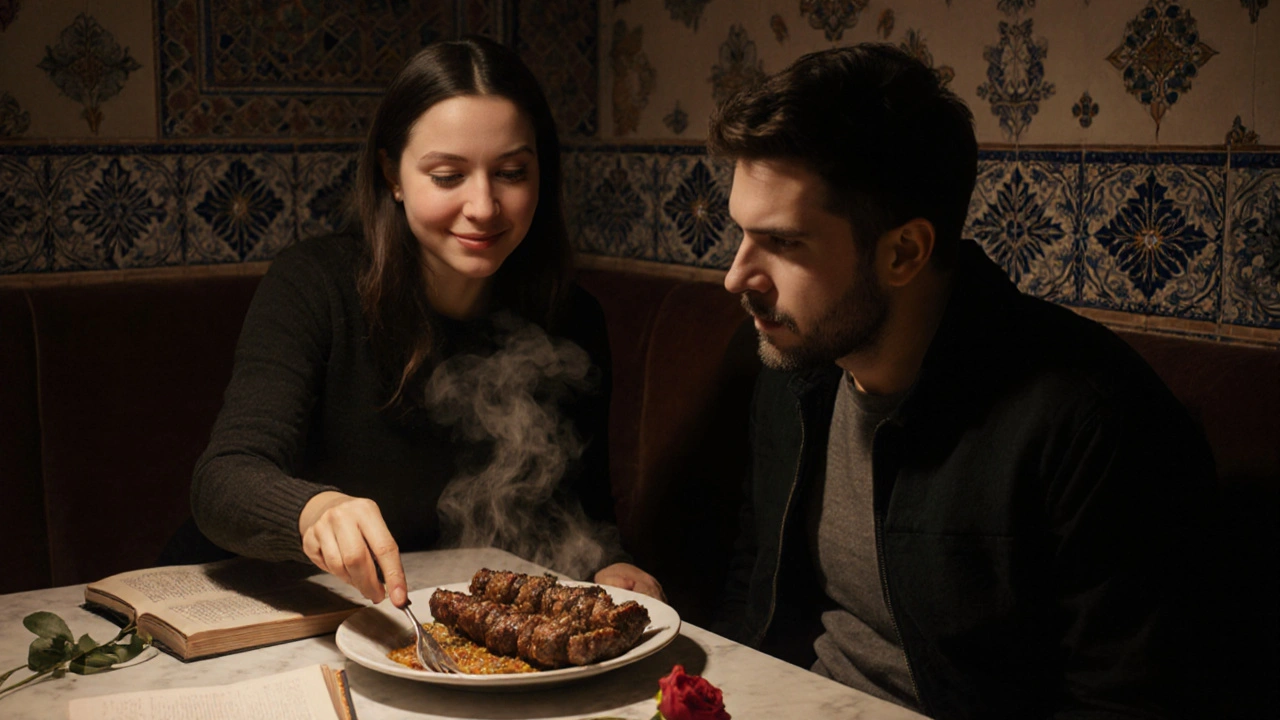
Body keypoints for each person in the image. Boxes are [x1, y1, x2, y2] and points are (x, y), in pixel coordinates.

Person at [708, 44, 1212, 718]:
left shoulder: (1094, 425)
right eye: (741, 234)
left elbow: (1129, 700)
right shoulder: (794, 357)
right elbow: (757, 584)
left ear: (905, 252)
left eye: (784, 242)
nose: (737, 277)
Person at [189, 36, 662, 609]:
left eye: (512, 172)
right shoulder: (315, 284)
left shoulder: (571, 317)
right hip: (279, 610)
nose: (484, 206)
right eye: (447, 176)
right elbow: (223, 480)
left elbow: (581, 518)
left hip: (439, 621)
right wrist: (315, 511)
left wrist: (612, 568)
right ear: (392, 174)